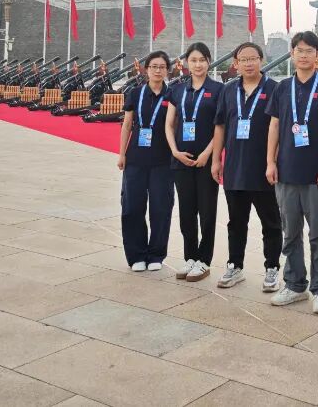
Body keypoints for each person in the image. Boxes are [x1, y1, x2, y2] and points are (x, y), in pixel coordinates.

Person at [265, 31, 318, 314]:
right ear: (292, 54)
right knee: (290, 233)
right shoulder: (282, 88)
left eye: (309, 51)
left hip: (316, 175)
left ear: (317, 55)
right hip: (286, 173)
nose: (304, 55)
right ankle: (295, 285)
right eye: (299, 50)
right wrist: (270, 162)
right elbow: (274, 126)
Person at [210, 42, 282, 292]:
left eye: (253, 58)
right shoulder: (228, 90)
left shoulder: (275, 89)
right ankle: (235, 265)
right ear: (236, 64)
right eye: (244, 59)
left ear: (261, 60)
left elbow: (279, 128)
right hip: (235, 169)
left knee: (271, 222)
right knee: (236, 222)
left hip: (264, 170)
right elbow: (220, 126)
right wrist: (216, 160)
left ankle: (272, 268)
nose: (249, 63)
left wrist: (273, 162)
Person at [165, 42, 224, 282]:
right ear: (186, 63)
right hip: (181, 160)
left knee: (207, 212)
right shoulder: (177, 89)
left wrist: (208, 154)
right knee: (186, 211)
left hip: (205, 161)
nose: (198, 64)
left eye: (202, 60)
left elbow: (221, 127)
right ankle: (190, 256)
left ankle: (204, 260)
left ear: (208, 62)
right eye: (193, 60)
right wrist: (175, 151)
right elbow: (169, 124)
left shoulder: (218, 90)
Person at [118, 51, 174, 272]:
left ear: (167, 70)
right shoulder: (135, 93)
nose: (158, 70)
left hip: (163, 161)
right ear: (146, 69)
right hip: (136, 159)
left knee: (161, 208)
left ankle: (156, 254)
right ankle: (136, 255)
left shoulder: (173, 95)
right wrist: (122, 154)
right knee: (132, 207)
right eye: (153, 66)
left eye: (162, 67)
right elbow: (127, 124)